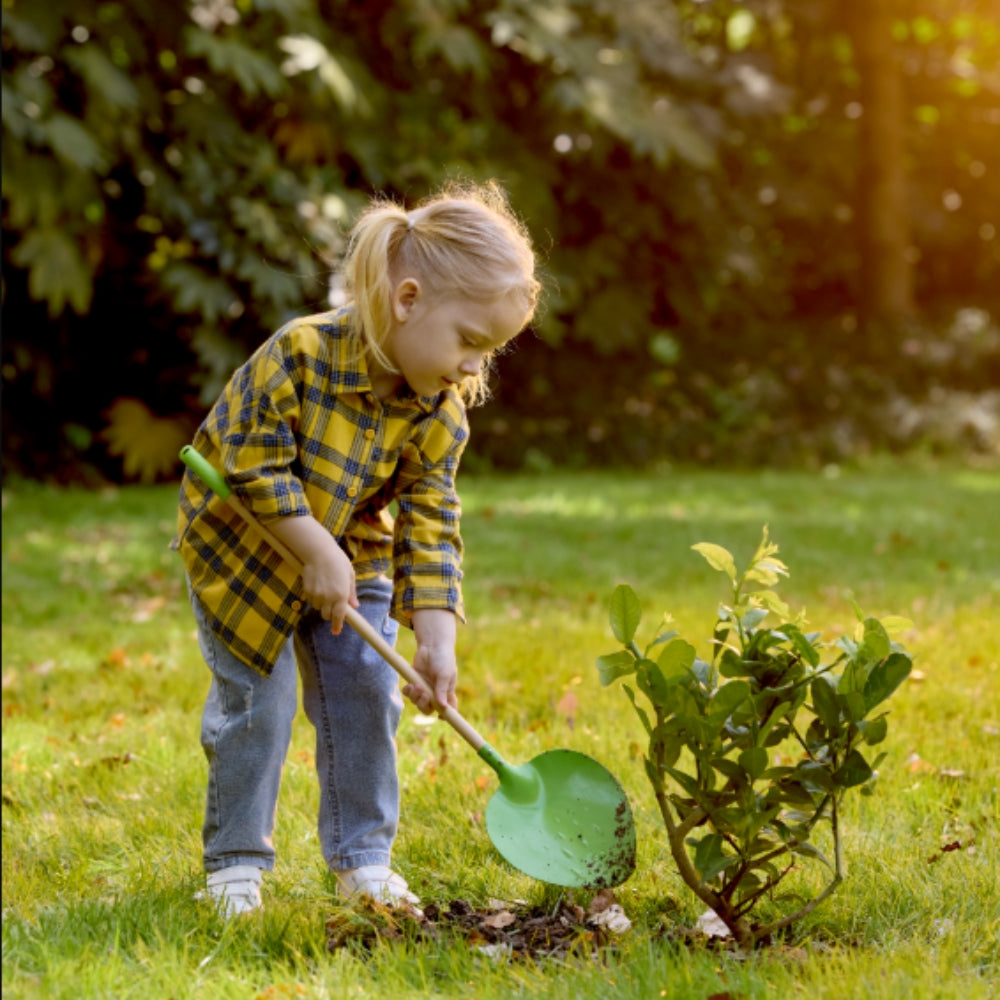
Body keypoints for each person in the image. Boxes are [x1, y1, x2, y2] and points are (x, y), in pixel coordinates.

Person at [172, 180, 540, 917]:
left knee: (368, 691)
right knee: (260, 705)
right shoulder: (300, 354)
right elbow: (248, 463)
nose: (475, 368)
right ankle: (235, 864)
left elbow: (431, 519)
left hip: (354, 550)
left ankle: (363, 859)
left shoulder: (439, 408)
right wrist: (309, 546)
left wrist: (436, 635)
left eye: (489, 352)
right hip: (244, 549)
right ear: (407, 300)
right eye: (469, 341)